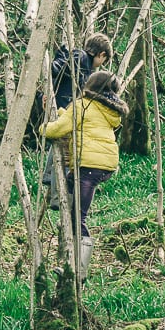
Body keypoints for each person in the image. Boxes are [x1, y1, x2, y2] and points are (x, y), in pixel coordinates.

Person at [42, 70, 129, 281]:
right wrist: (63, 112)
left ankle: (78, 271)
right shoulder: (104, 109)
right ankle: (73, 265)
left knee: (77, 218)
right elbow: (80, 121)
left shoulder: (82, 106)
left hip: (89, 164)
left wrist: (43, 126)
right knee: (73, 198)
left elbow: (57, 130)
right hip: (103, 164)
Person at [42, 33, 114, 208]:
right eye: (103, 60)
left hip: (64, 107)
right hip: (63, 106)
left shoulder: (85, 64)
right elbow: (55, 68)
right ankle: (58, 195)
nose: (101, 65)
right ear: (101, 54)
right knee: (65, 151)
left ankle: (49, 178)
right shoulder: (81, 58)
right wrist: (49, 91)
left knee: (61, 146)